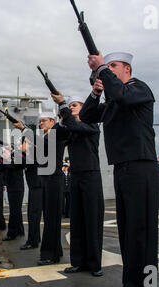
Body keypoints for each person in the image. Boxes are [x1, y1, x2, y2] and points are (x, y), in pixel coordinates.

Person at [81, 52, 159, 287]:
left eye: (114, 66)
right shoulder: (114, 100)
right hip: (123, 168)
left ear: (127, 68)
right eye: (108, 65)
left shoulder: (138, 88)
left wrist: (101, 67)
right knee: (128, 233)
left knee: (143, 233)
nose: (109, 69)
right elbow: (86, 116)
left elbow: (121, 95)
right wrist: (95, 92)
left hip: (141, 167)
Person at [51, 94, 105, 277]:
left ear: (84, 109)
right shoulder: (71, 128)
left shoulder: (91, 125)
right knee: (77, 220)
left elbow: (75, 125)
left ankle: (95, 264)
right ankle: (78, 261)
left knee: (92, 219)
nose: (72, 107)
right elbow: (56, 134)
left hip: (91, 176)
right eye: (71, 105)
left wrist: (63, 106)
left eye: (75, 105)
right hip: (75, 176)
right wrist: (61, 115)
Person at [13, 112, 69, 265]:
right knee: (50, 220)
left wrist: (24, 129)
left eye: (44, 121)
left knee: (52, 219)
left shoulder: (56, 134)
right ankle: (55, 252)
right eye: (40, 121)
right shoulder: (45, 137)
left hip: (54, 179)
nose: (41, 123)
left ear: (53, 121)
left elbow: (45, 146)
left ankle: (51, 255)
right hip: (46, 179)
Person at [20, 139, 43, 250]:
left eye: (22, 143)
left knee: (33, 215)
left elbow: (25, 161)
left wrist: (18, 152)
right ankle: (36, 237)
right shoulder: (30, 154)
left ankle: (32, 241)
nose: (21, 145)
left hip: (37, 187)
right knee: (33, 214)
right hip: (34, 187)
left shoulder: (34, 154)